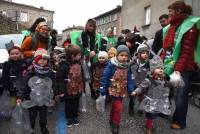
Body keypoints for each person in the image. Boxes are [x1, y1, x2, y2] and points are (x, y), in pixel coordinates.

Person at [162, 1, 200, 129]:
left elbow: (187, 51)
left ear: (178, 11)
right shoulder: (172, 26)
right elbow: (167, 48)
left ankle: (179, 121)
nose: (169, 14)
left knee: (181, 96)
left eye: (170, 12)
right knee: (166, 89)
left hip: (184, 67)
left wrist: (177, 69)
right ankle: (164, 110)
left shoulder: (190, 26)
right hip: (170, 63)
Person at [16, 48, 58, 134]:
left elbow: (53, 84)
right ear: (36, 60)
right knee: (32, 115)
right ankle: (31, 128)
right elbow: (24, 86)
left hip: (44, 98)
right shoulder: (30, 72)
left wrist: (55, 94)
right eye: (40, 59)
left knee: (43, 116)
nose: (42, 61)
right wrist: (20, 96)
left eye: (45, 59)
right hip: (32, 99)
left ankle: (43, 127)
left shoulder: (50, 72)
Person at [99, 45, 135, 134]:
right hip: (113, 90)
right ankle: (116, 124)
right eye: (122, 55)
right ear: (117, 55)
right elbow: (105, 77)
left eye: (126, 56)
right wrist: (103, 89)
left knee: (115, 107)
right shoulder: (111, 65)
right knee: (119, 107)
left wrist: (131, 89)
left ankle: (111, 119)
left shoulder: (127, 66)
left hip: (122, 90)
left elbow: (129, 79)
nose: (124, 57)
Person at [132, 56, 171, 134]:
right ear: (153, 70)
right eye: (158, 68)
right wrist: (136, 91)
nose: (161, 69)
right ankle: (148, 129)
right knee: (151, 116)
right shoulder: (149, 80)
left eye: (162, 68)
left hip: (159, 100)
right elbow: (141, 86)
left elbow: (168, 85)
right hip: (151, 101)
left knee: (155, 114)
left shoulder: (164, 79)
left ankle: (149, 125)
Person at [56, 44, 85, 128]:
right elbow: (59, 78)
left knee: (76, 103)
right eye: (79, 55)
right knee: (69, 104)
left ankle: (75, 116)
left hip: (77, 88)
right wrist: (61, 91)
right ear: (73, 56)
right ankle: (69, 117)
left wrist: (83, 88)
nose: (80, 56)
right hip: (68, 90)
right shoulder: (64, 65)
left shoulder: (79, 63)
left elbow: (81, 76)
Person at [129, 44, 150, 116]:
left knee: (142, 98)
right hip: (134, 83)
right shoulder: (132, 63)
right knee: (132, 98)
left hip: (143, 85)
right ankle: (131, 109)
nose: (145, 55)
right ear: (138, 54)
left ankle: (140, 109)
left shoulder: (148, 64)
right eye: (143, 53)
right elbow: (129, 72)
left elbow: (149, 74)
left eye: (147, 53)